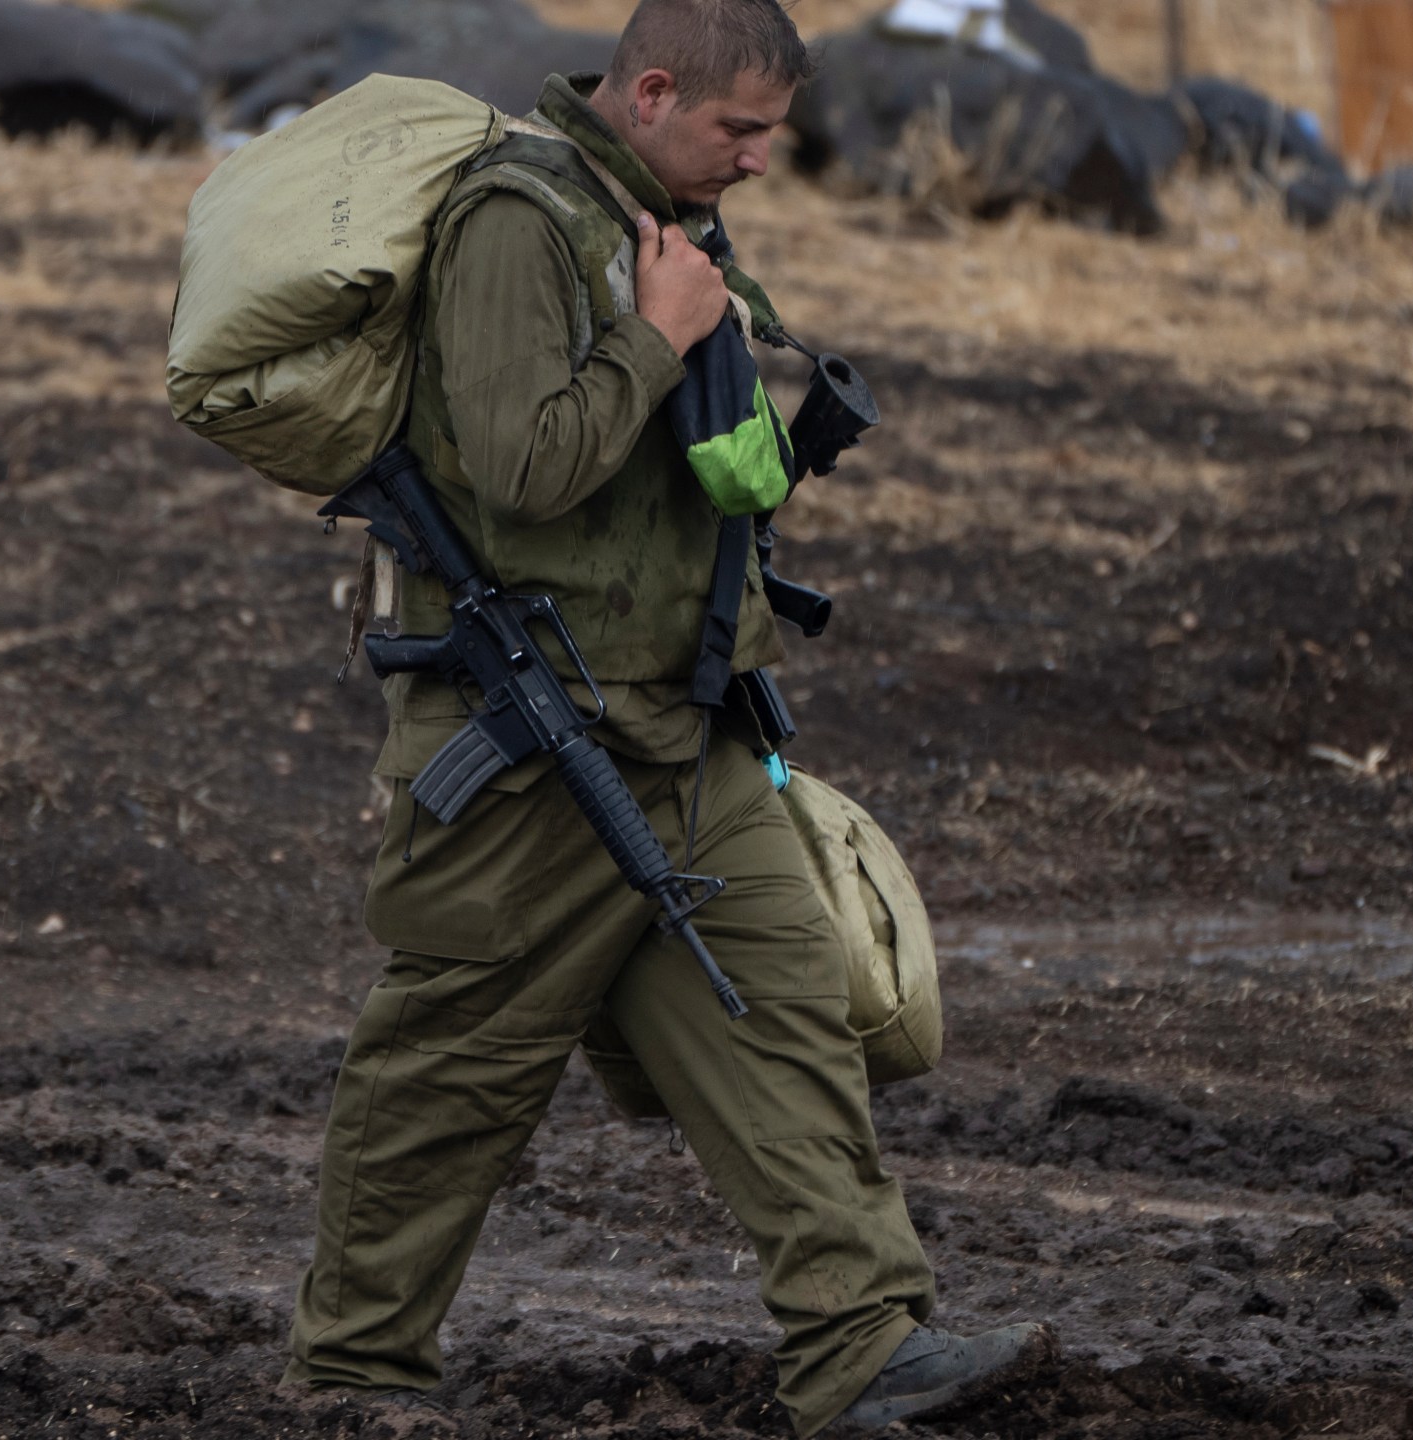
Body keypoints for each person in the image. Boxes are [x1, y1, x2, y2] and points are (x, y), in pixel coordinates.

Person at [284, 1, 1055, 1433]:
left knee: (787, 1019)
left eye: (771, 133)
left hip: (684, 725)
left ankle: (862, 1345)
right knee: (451, 1075)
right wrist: (656, 337)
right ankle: (350, 1378)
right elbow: (524, 467)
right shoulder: (519, 220)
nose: (763, 161)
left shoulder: (671, 224)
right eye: (739, 130)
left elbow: (706, 474)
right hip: (530, 750)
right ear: (649, 90)